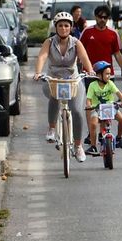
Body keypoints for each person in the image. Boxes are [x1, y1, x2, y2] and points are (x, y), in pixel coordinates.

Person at [32, 12, 94, 159]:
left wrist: (90, 70)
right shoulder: (49, 42)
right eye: (60, 25)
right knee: (55, 94)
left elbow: (84, 57)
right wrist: (38, 72)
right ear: (56, 27)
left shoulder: (76, 43)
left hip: (73, 81)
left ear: (71, 27)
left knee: (77, 111)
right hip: (53, 79)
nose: (63, 28)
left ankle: (78, 146)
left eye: (66, 25)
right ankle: (52, 128)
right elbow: (42, 56)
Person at [84, 61, 122, 148]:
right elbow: (88, 99)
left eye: (109, 74)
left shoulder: (110, 83)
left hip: (110, 107)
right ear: (99, 75)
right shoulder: (92, 85)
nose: (109, 76)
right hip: (97, 108)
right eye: (107, 74)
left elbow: (118, 93)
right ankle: (93, 146)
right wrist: (89, 105)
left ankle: (119, 138)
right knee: (93, 124)